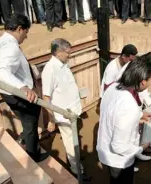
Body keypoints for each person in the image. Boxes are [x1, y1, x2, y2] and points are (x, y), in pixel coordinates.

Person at [0, 13, 49, 162]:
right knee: (30, 122)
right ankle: (33, 154)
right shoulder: (11, 47)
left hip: (6, 91)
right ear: (20, 29)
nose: (26, 37)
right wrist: (23, 87)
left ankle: (25, 139)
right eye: (26, 32)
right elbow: (2, 70)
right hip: (18, 94)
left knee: (25, 118)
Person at [97, 57, 151, 184]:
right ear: (143, 82)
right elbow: (119, 146)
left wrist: (139, 114)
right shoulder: (129, 105)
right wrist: (140, 148)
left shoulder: (113, 87)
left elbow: (115, 112)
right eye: (150, 79)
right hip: (119, 160)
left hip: (105, 149)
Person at [41, 38, 91, 181]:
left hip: (74, 111)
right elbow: (46, 97)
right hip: (64, 115)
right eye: (67, 53)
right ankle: (76, 170)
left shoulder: (64, 64)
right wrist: (51, 119)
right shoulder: (50, 70)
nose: (70, 55)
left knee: (73, 138)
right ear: (58, 52)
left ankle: (76, 160)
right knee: (70, 142)